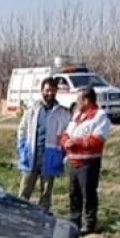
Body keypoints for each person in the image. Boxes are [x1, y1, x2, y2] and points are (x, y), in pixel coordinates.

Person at [61, 86, 113, 235]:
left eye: (78, 99)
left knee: (88, 194)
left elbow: (98, 139)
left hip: (88, 163)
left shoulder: (99, 116)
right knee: (74, 193)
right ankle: (74, 222)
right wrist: (65, 142)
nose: (76, 102)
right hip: (73, 162)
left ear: (86, 100)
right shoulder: (77, 116)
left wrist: (76, 142)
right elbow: (66, 133)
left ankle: (90, 224)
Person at [17, 77, 70, 212]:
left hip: (51, 155)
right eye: (47, 90)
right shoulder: (32, 110)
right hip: (32, 154)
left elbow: (67, 132)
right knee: (25, 188)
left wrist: (62, 153)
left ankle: (43, 215)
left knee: (46, 191)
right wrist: (22, 148)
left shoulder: (63, 113)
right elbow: (22, 130)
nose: (50, 94)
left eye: (53, 91)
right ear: (42, 91)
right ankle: (20, 213)